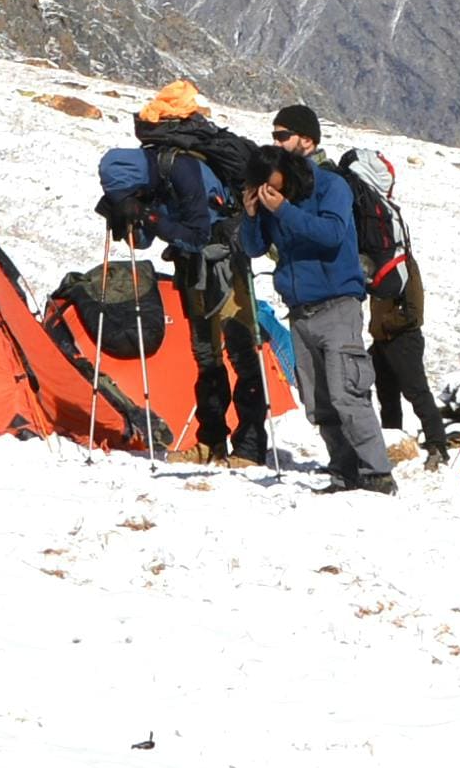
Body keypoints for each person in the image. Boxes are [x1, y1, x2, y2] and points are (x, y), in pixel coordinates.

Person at [106, 84, 272, 462]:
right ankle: (211, 441)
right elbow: (146, 239)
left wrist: (148, 215)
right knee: (206, 356)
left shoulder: (182, 167)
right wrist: (128, 217)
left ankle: (249, 447)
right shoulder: (157, 168)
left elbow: (196, 233)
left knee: (240, 350)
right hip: (193, 270)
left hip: (225, 264)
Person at [251, 111, 396, 493]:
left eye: (284, 135)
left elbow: (331, 234)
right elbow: (253, 247)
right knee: (319, 401)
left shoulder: (332, 186)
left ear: (308, 141)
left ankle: (377, 474)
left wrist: (283, 210)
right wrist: (253, 215)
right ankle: (344, 469)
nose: (277, 142)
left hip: (338, 305)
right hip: (300, 311)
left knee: (348, 393)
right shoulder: (280, 194)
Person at [342, 134, 444, 458]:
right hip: (385, 340)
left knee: (416, 392)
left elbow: (414, 312)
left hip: (403, 339)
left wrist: (385, 327)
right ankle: (394, 444)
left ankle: (437, 445)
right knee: (387, 394)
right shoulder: (388, 262)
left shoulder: (404, 265)